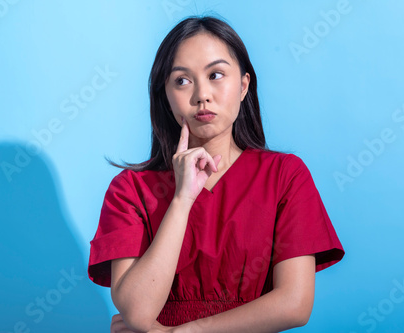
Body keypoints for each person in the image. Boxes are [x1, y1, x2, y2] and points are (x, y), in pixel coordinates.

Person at [88, 15, 345, 333]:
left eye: (216, 75)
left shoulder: (285, 176)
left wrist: (182, 332)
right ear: (165, 96)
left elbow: (294, 304)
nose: (201, 95)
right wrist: (182, 200)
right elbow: (138, 312)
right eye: (182, 80)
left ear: (243, 86)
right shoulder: (130, 190)